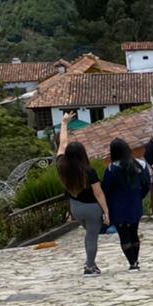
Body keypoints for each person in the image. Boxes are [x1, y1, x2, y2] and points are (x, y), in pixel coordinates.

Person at [56, 114, 110, 277]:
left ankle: (92, 263)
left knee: (89, 234)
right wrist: (106, 211)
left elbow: (62, 143)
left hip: (76, 208)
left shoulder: (61, 166)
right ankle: (89, 266)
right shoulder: (89, 171)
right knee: (92, 236)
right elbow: (98, 193)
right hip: (92, 208)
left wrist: (64, 123)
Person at [101, 138, 151, 270]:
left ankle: (132, 262)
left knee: (124, 234)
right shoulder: (140, 165)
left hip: (117, 206)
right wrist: (139, 197)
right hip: (135, 204)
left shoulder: (111, 169)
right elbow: (147, 185)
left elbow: (106, 188)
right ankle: (136, 259)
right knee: (134, 232)